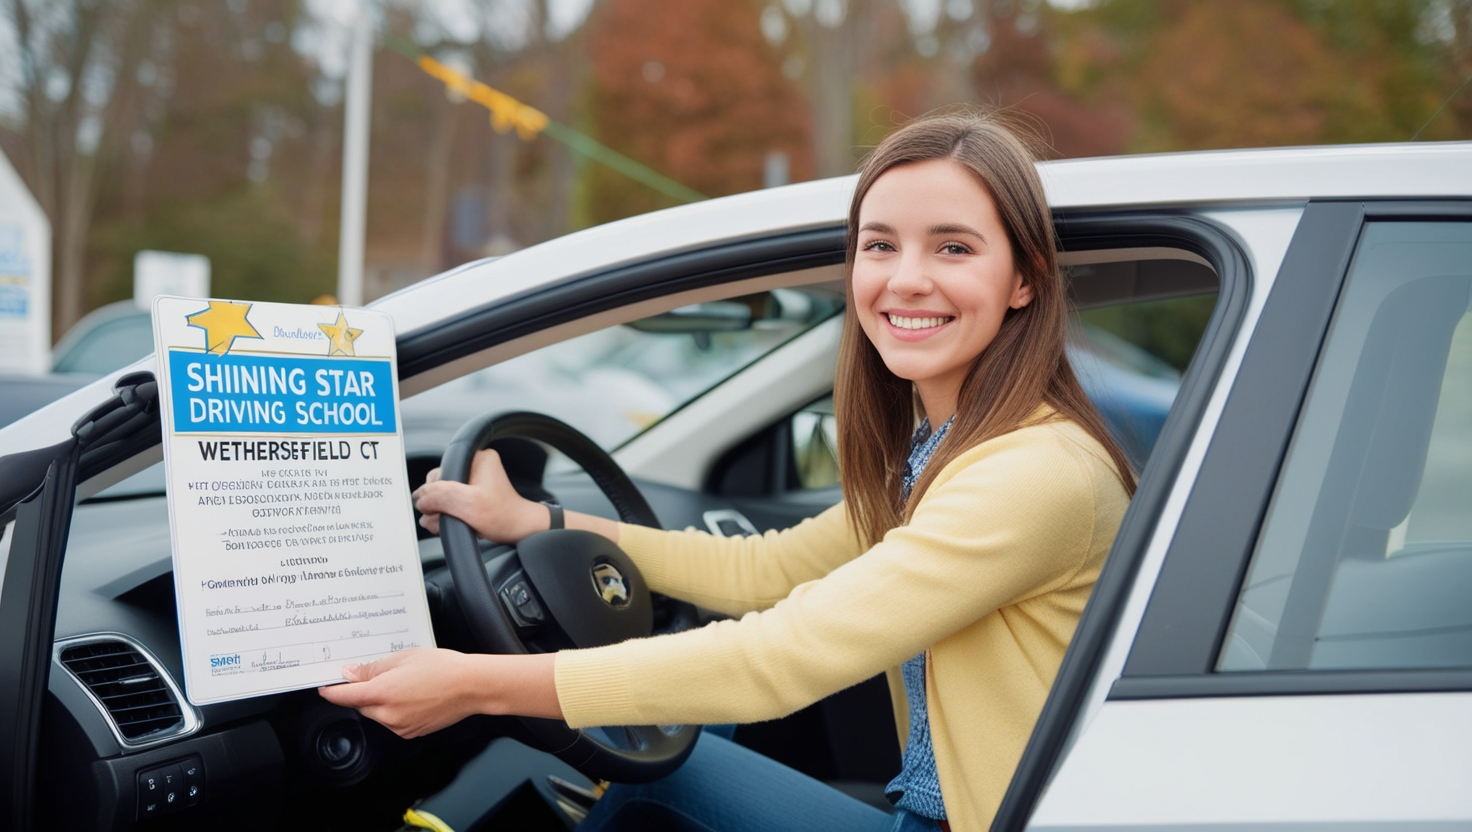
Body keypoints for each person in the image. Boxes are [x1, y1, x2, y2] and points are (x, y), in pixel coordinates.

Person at [320, 108, 1135, 832]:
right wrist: (542, 523)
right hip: (922, 805)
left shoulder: (1034, 472)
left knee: (649, 771)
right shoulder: (946, 454)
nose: (905, 277)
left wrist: (475, 685)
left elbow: (781, 656)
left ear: (1024, 278)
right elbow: (765, 570)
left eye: (953, 247)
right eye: (879, 245)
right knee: (668, 756)